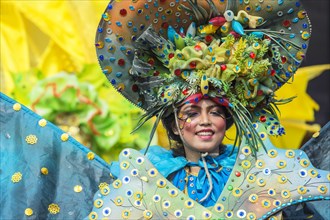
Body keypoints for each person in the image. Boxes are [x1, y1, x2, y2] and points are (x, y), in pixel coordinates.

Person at [0, 0, 329, 219]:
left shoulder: (266, 168)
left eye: (215, 111)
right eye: (191, 112)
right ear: (173, 122)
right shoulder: (143, 177)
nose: (204, 122)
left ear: (228, 119)